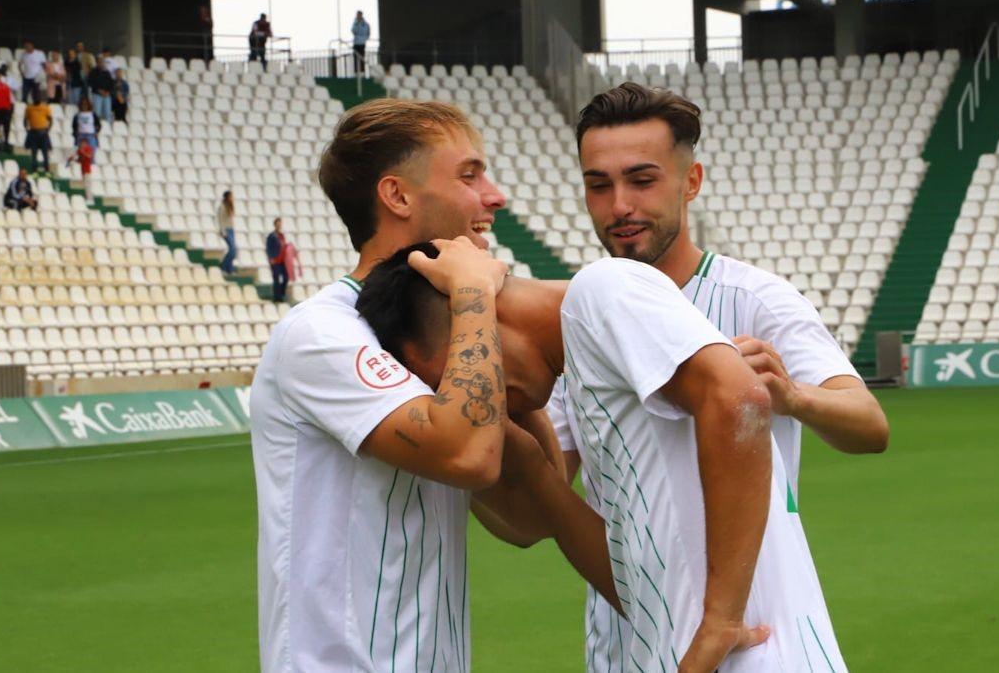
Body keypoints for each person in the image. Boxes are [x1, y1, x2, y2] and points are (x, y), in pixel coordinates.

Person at [357, 242, 846, 672]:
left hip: (756, 653)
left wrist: (720, 620)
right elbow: (635, 586)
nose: (472, 393)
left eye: (455, 372)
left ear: (473, 319)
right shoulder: (587, 376)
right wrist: (537, 473)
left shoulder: (601, 288)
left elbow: (741, 399)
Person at [563, 82, 890, 671]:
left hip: (755, 630)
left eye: (642, 180)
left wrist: (794, 397)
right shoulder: (587, 317)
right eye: (598, 185)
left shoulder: (754, 297)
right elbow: (544, 485)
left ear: (691, 182)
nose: (619, 207)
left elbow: (869, 425)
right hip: (627, 631)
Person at [251, 98, 535, 673]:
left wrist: (523, 383)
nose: (495, 196)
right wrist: (476, 294)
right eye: (469, 174)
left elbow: (527, 519)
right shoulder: (322, 334)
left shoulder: (440, 331)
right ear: (398, 196)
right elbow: (469, 455)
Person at [23, 91, 52, 172]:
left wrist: (47, 130)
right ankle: (34, 170)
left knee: (45, 153)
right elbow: (25, 120)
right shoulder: (29, 108)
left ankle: (46, 169)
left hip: (43, 133)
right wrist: (27, 130)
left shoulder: (45, 108)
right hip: (33, 132)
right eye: (35, 97)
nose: (37, 98)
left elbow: (50, 120)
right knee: (34, 153)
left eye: (38, 97)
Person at [265, 217, 288, 302]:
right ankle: (277, 296)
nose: (279, 225)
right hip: (275, 261)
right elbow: (268, 247)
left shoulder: (282, 235)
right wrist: (271, 258)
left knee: (286, 277)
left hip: (282, 261)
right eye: (278, 223)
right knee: (276, 278)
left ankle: (281, 294)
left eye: (280, 223)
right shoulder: (272, 236)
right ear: (275, 224)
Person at [18, 40, 45, 104]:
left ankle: (36, 108)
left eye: (28, 47)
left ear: (32, 46)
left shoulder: (39, 53)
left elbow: (44, 65)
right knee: (25, 94)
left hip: (36, 77)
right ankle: (24, 106)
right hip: (26, 77)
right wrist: (21, 72)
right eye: (25, 47)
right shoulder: (23, 54)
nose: (26, 48)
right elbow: (19, 65)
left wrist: (41, 74)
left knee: (36, 95)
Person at [217, 190, 237, 275]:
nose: (233, 198)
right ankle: (223, 266)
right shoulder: (222, 206)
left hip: (231, 229)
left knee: (233, 250)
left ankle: (230, 269)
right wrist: (222, 230)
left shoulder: (230, 206)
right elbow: (220, 219)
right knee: (232, 249)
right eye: (231, 196)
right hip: (226, 230)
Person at [86, 56, 112, 122]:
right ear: (97, 63)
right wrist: (99, 90)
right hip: (97, 94)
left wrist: (108, 92)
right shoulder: (93, 72)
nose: (101, 63)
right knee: (97, 113)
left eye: (102, 62)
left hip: (106, 95)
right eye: (100, 62)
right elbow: (90, 83)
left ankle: (108, 129)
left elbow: (111, 84)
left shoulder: (107, 73)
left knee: (107, 113)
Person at [350, 10, 370, 76]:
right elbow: (353, 31)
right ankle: (356, 72)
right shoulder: (355, 23)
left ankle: (362, 72)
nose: (358, 16)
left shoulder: (365, 24)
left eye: (359, 15)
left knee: (362, 58)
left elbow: (368, 32)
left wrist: (364, 39)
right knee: (356, 58)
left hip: (362, 43)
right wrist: (356, 23)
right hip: (356, 43)